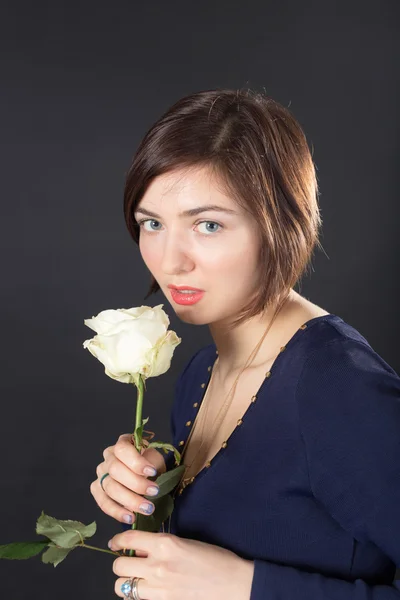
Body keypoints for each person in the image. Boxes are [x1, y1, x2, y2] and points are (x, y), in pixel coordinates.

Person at [90, 88, 400, 599]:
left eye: (208, 225)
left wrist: (245, 586)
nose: (171, 261)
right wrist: (150, 480)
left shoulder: (337, 385)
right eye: (152, 223)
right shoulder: (201, 369)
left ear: (280, 223)